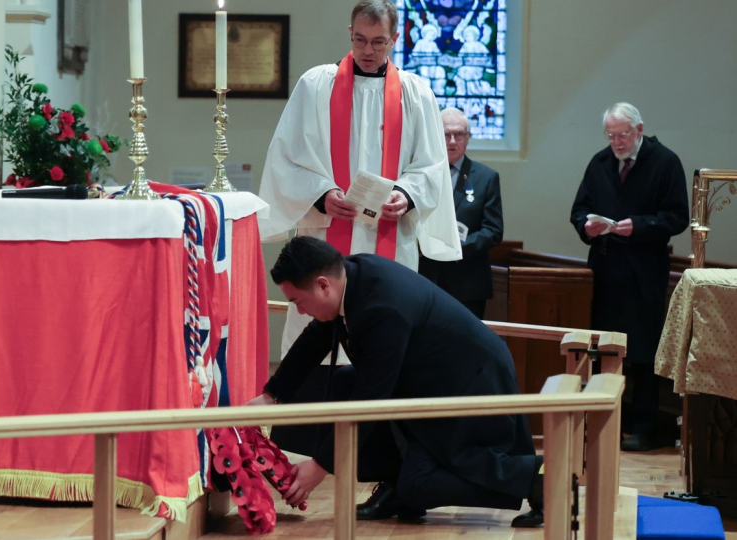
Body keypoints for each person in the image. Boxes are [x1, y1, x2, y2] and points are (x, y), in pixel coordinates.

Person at [248, 236, 544, 528]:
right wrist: (272, 395)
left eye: (298, 301)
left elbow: (372, 397)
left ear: (323, 284)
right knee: (345, 380)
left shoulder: (381, 306)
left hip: (470, 384)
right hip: (431, 379)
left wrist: (321, 465)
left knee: (418, 485)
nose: (300, 310)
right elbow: (316, 337)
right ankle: (395, 485)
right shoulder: (350, 277)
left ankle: (536, 476)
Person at [257, 0, 462, 361]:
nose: (368, 50)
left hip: (390, 236)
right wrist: (321, 195)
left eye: (379, 42)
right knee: (316, 354)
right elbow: (286, 159)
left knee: (383, 347)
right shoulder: (315, 85)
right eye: (361, 40)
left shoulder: (416, 93)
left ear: (396, 38)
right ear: (350, 33)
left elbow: (432, 166)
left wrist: (406, 194)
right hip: (326, 235)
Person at [570, 102, 689, 452]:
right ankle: (607, 421)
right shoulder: (600, 162)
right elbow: (578, 209)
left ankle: (645, 426)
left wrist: (640, 225)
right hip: (606, 270)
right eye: (611, 136)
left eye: (622, 135)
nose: (617, 142)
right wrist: (587, 227)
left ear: (639, 129)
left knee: (643, 351)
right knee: (605, 350)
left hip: (645, 271)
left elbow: (678, 216)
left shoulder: (664, 162)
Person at [419, 108, 503, 319]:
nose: (452, 141)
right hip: (426, 277)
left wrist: (455, 248)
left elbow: (493, 230)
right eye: (446, 134)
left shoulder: (486, 177)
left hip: (467, 283)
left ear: (468, 138)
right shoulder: (420, 175)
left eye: (459, 135)